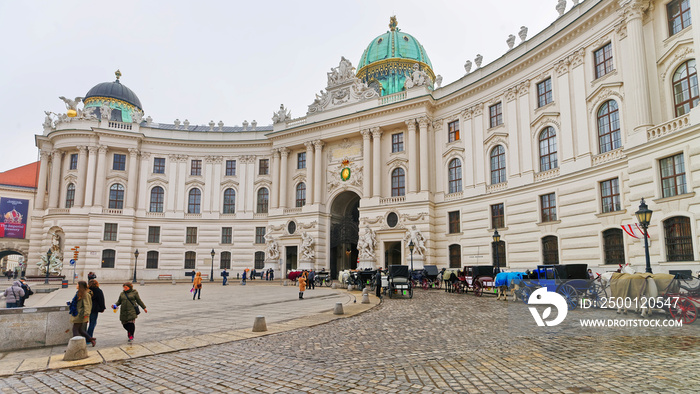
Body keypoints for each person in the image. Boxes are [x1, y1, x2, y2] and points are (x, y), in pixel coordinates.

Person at [69, 281, 95, 347]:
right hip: (77, 312)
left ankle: (76, 345)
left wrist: (86, 315)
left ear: (80, 286)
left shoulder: (86, 294)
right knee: (80, 329)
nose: (76, 285)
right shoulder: (79, 293)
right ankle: (91, 339)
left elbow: (87, 305)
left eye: (77, 284)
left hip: (80, 314)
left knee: (75, 329)